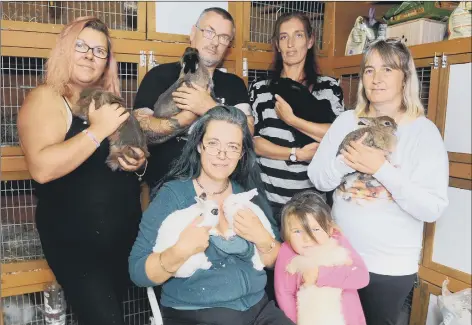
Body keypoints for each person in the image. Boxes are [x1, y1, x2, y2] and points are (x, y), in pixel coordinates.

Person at [308, 38, 449, 325]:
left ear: (405, 77)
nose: (376, 79)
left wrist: (381, 168)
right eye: (369, 70)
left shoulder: (423, 132)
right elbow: (318, 178)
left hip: (389, 267)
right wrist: (346, 161)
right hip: (338, 256)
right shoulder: (347, 121)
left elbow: (432, 208)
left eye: (387, 69)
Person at [17, 17, 146, 325]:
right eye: (82, 46)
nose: (90, 55)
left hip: (121, 242)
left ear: (107, 63)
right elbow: (42, 168)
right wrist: (99, 130)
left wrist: (137, 165)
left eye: (100, 51)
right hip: (78, 247)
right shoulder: (46, 98)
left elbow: (110, 167)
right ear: (65, 49)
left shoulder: (103, 102)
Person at [129, 106, 295, 325]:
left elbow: (278, 262)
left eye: (232, 147)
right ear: (199, 145)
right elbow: (137, 272)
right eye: (213, 144)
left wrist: (263, 238)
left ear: (241, 154)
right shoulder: (174, 196)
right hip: (197, 314)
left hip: (259, 310)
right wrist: (179, 251)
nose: (222, 155)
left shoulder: (247, 195)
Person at [249, 11, 344, 302]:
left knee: (308, 284)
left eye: (298, 35)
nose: (290, 44)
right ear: (276, 44)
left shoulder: (328, 87)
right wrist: (295, 153)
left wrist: (292, 120)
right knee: (270, 282)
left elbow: (337, 136)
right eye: (283, 37)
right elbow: (254, 142)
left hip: (311, 209)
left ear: (310, 40)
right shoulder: (260, 89)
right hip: (269, 204)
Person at [133, 7, 253, 191]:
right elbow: (139, 128)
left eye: (223, 37)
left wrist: (209, 107)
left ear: (228, 45)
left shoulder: (235, 84)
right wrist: (185, 119)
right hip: (167, 189)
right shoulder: (159, 75)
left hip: (220, 191)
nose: (214, 42)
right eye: (209, 32)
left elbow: (249, 133)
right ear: (193, 32)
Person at [274, 191, 369, 324]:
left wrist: (320, 275)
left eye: (315, 229)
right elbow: (284, 294)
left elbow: (361, 277)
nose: (307, 238)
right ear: (286, 234)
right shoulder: (287, 251)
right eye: (297, 231)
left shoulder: (338, 241)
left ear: (329, 229)